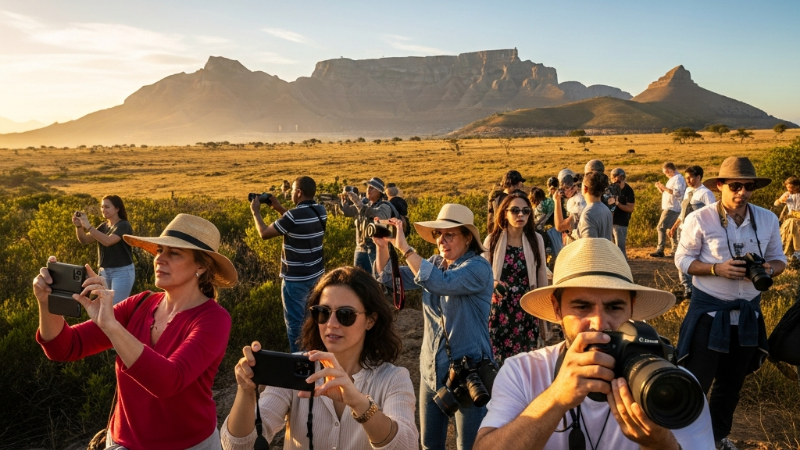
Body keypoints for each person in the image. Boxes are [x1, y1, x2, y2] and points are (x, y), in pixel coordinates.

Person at [473, 238, 715, 450]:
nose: (599, 323)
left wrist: (660, 445)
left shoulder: (673, 384)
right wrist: (556, 398)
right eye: (582, 307)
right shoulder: (522, 372)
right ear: (558, 310)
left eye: (614, 307)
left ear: (632, 308)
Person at [35, 214, 237, 449]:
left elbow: (168, 381)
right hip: (122, 442)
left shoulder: (214, 320)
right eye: (159, 250)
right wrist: (47, 303)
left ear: (201, 266)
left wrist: (111, 327)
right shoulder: (139, 304)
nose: (159, 259)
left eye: (174, 253)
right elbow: (65, 348)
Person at [221, 267, 418, 450]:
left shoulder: (393, 379)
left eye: (345, 315)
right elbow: (237, 446)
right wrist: (246, 392)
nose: (331, 324)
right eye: (322, 312)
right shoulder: (295, 369)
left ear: (370, 320)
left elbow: (407, 445)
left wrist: (359, 404)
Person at [675, 157, 786, 450]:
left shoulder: (768, 219)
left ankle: (717, 437)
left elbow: (780, 259)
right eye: (735, 185)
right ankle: (685, 441)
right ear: (720, 185)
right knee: (697, 382)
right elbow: (682, 259)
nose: (742, 192)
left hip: (748, 314)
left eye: (748, 186)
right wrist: (716, 269)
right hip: (710, 312)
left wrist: (767, 270)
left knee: (731, 384)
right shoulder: (699, 219)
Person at [373, 204, 494, 450]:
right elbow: (389, 278)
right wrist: (382, 247)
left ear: (468, 237)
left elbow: (441, 284)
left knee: (468, 445)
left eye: (450, 234)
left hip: (468, 373)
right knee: (429, 444)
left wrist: (406, 249)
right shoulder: (435, 262)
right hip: (431, 368)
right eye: (438, 234)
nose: (442, 240)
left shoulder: (479, 268)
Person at [251, 176, 327, 353]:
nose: (291, 193)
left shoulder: (294, 216)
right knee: (312, 321)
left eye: (292, 190)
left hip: (296, 279)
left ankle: (299, 364)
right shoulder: (320, 210)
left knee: (295, 325)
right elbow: (296, 223)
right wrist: (278, 207)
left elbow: (264, 233)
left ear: (299, 193)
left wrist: (256, 212)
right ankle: (315, 358)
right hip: (317, 275)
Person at [482, 191, 548, 364]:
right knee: (498, 362)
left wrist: (543, 316)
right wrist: (494, 283)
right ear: (505, 213)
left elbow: (541, 275)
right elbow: (483, 274)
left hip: (526, 310)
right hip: (499, 311)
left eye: (526, 211)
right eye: (515, 210)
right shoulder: (492, 240)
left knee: (525, 363)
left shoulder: (536, 239)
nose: (521, 214)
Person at [72, 195, 135, 304]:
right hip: (104, 273)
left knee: (115, 308)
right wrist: (79, 226)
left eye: (107, 207)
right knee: (103, 307)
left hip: (121, 272)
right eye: (102, 207)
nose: (103, 210)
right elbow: (85, 240)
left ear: (117, 209)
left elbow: (108, 241)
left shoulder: (123, 225)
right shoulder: (104, 226)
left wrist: (89, 226)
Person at [668, 166, 716, 298]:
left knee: (694, 260)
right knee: (681, 259)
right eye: (686, 177)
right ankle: (687, 288)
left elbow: (713, 214)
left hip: (696, 232)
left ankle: (697, 288)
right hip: (683, 229)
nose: (687, 180)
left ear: (699, 177)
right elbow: (683, 212)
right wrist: (674, 226)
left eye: (690, 177)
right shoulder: (688, 190)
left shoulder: (706, 193)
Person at [340, 177, 393, 272]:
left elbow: (378, 217)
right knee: (357, 279)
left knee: (377, 279)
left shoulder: (385, 206)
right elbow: (348, 212)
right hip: (360, 248)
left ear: (380, 192)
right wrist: (343, 201)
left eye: (372, 188)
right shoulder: (365, 203)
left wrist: (357, 202)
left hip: (376, 249)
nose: (369, 189)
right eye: (368, 187)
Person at [651, 162, 686, 257]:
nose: (666, 174)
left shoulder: (678, 178)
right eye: (665, 172)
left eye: (667, 172)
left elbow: (677, 193)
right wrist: (661, 188)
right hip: (671, 207)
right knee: (671, 229)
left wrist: (664, 188)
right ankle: (674, 249)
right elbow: (668, 192)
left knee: (660, 227)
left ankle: (660, 249)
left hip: (672, 207)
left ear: (672, 170)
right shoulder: (673, 179)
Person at [531, 185, 562, 267]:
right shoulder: (550, 201)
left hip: (544, 232)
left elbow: (539, 219)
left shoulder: (540, 206)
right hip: (555, 230)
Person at [577, 172, 613, 240]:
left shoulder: (588, 214)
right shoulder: (606, 210)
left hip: (595, 250)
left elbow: (589, 245)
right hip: (605, 250)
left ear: (585, 188)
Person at [553, 171, 585, 245]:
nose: (565, 192)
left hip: (580, 245)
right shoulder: (579, 197)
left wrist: (556, 201)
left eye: (567, 187)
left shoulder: (579, 201)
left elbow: (560, 226)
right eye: (562, 189)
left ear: (575, 186)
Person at [775, 176, 800, 268]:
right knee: (792, 222)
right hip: (790, 219)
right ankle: (792, 254)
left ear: (797, 186)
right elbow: (775, 204)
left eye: (792, 187)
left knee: (793, 223)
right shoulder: (787, 194)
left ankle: (795, 252)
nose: (790, 189)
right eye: (788, 187)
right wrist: (780, 200)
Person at [610, 168, 636, 258]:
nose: (618, 181)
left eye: (620, 179)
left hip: (621, 222)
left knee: (620, 249)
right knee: (610, 248)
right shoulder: (611, 188)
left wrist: (618, 204)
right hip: (610, 221)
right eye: (615, 179)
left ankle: (623, 269)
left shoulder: (628, 191)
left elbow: (630, 208)